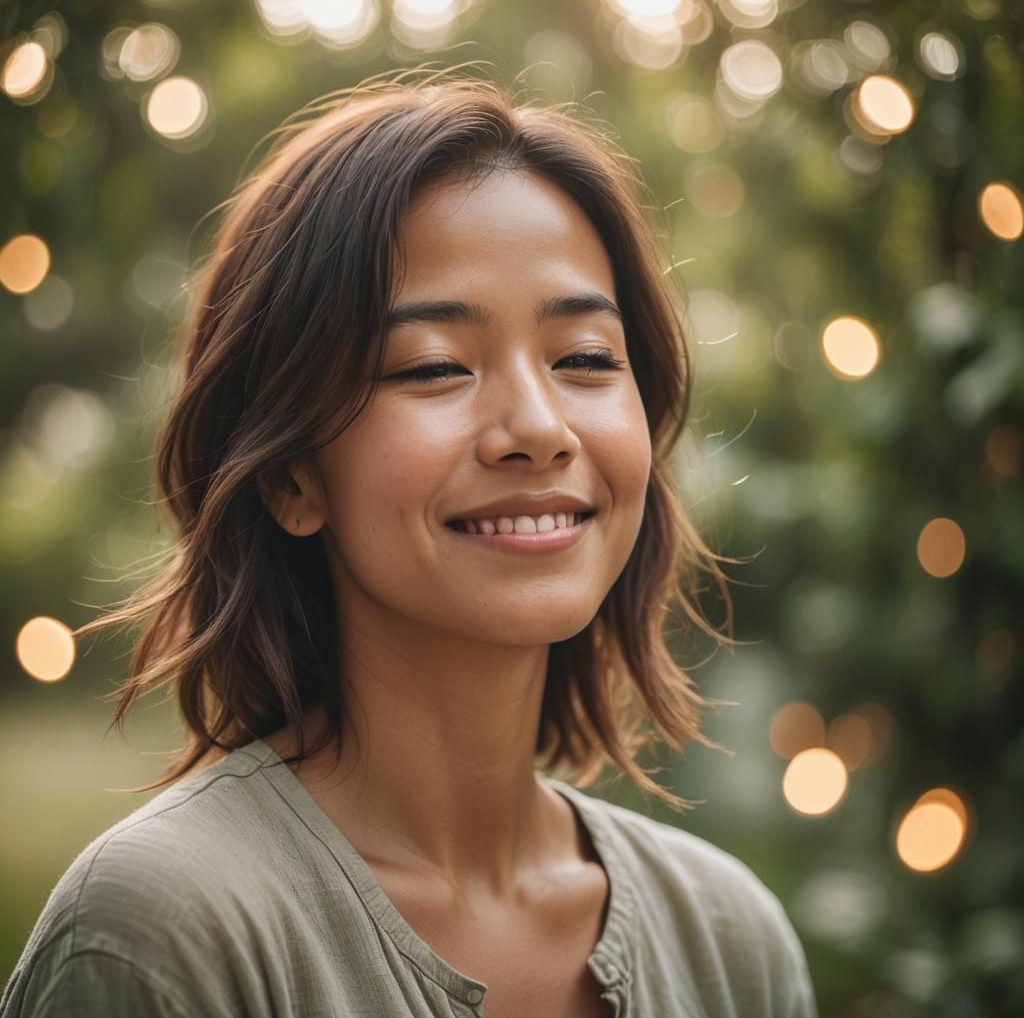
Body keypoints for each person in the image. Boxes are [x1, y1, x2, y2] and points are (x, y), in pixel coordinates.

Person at [1, 68, 818, 1017]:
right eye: (434, 367)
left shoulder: (732, 943)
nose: (538, 427)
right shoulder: (162, 935)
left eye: (587, 358)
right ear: (290, 476)